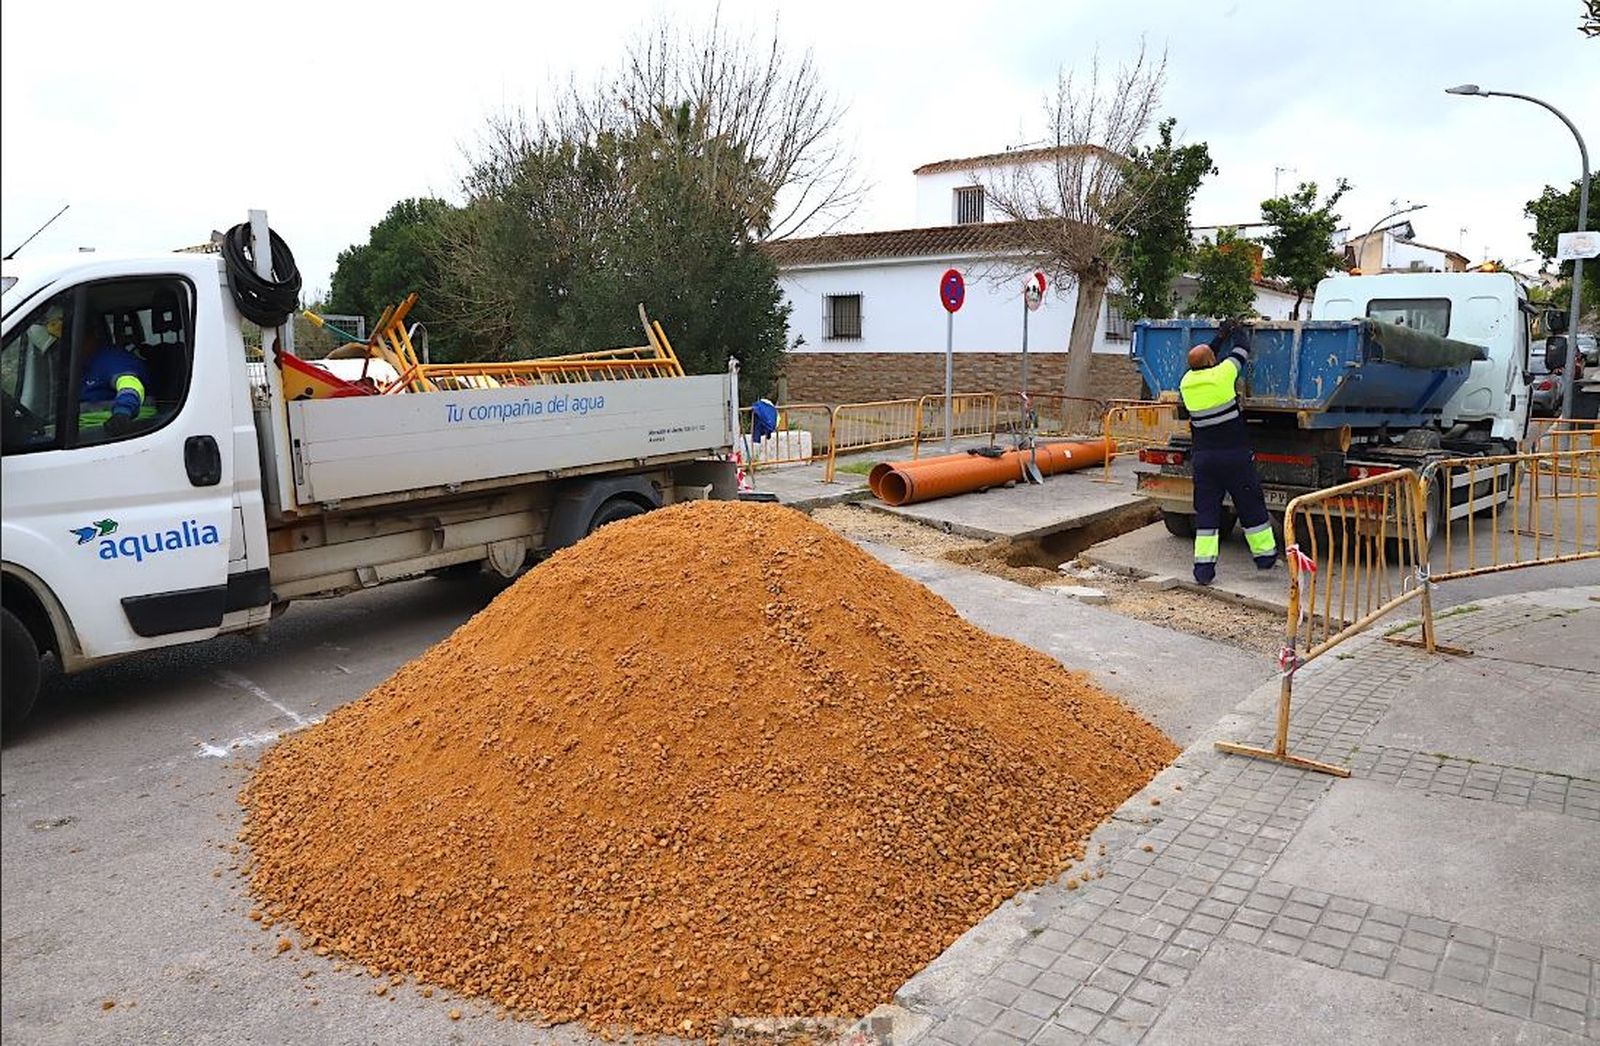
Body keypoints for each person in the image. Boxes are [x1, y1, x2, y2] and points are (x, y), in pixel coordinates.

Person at [1180, 318, 1278, 585]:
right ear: (1213, 361)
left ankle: (1203, 571)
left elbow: (1204, 359)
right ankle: (1265, 557)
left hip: (1204, 460)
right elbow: (1242, 350)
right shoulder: (1224, 374)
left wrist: (1219, 336)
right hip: (1234, 456)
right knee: (1250, 506)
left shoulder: (1187, 383)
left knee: (1207, 513)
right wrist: (1235, 330)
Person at [78, 330, 151, 437]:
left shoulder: (112, 359)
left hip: (121, 434)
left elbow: (130, 384)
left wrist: (123, 412)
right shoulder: (82, 364)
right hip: (86, 433)